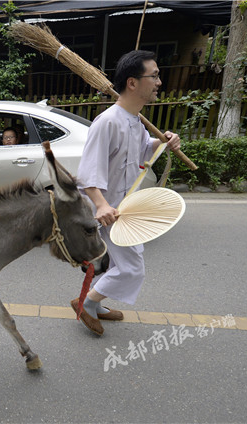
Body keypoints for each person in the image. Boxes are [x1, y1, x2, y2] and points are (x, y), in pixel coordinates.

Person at [75, 50, 181, 336]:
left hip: (126, 207)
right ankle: (86, 303)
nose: (159, 82)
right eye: (155, 75)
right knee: (132, 268)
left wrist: (165, 141)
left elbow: (141, 149)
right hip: (108, 211)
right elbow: (87, 174)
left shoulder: (134, 120)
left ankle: (93, 303)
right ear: (132, 83)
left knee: (128, 260)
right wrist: (100, 206)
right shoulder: (107, 122)